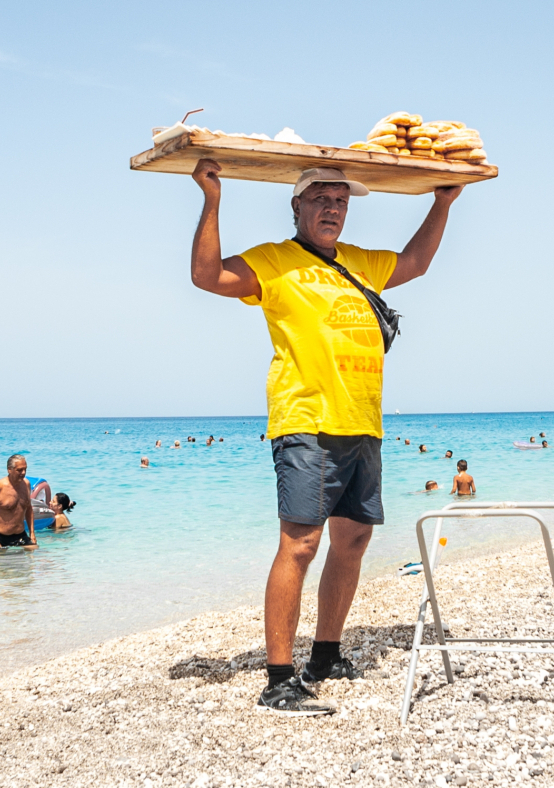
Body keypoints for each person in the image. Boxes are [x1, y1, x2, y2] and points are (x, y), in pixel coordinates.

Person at [188, 159, 462, 716]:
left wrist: (443, 204)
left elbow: (414, 263)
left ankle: (326, 655)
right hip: (306, 421)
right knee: (301, 543)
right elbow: (207, 276)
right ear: (296, 206)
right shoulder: (274, 260)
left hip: (363, 421)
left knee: (354, 540)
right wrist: (212, 199)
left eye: (341, 200)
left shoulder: (361, 263)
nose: (332, 207)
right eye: (320, 198)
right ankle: (278, 679)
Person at [0, 455, 37, 549]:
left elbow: (29, 509)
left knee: (34, 555)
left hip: (20, 535)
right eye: (19, 470)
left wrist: (32, 533)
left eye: (25, 469)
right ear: (9, 469)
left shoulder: (26, 484)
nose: (23, 473)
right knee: (1, 563)